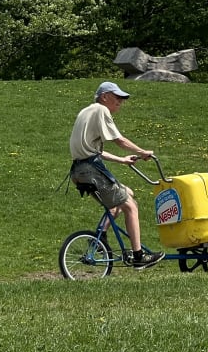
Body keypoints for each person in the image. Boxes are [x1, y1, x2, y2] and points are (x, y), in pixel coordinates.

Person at [69, 81, 164, 269]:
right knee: (131, 206)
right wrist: (143, 152)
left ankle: (100, 238)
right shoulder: (101, 110)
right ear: (105, 97)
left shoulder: (86, 112)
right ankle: (138, 256)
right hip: (91, 170)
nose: (120, 102)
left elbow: (95, 151)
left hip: (78, 171)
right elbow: (119, 140)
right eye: (117, 97)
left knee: (125, 193)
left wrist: (122, 160)